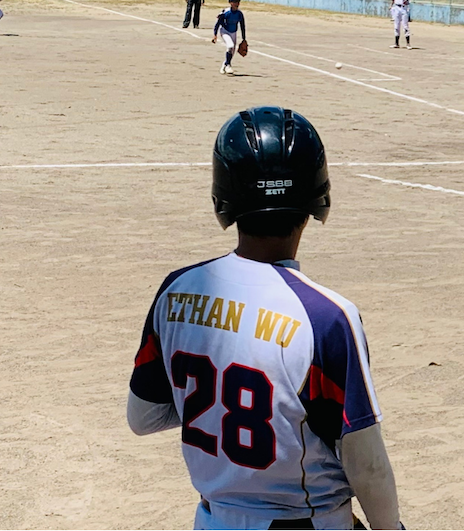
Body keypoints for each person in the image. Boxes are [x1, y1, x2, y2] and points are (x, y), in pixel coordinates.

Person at [127, 107, 404, 530]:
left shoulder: (176, 290)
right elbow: (366, 465)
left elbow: (143, 418)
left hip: (213, 521)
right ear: (315, 198)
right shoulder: (326, 316)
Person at [212, 0, 246, 75]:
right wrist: (215, 34)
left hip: (233, 32)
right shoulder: (226, 12)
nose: (237, 4)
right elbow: (218, 23)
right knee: (230, 46)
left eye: (238, 2)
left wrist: (244, 39)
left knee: (232, 51)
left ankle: (224, 65)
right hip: (225, 31)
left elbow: (242, 26)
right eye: (235, 2)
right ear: (230, 3)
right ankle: (228, 65)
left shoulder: (239, 14)